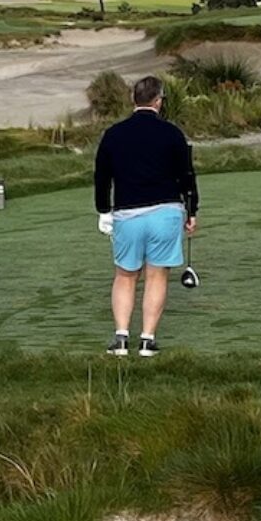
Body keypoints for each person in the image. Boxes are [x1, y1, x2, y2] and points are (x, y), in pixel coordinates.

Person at [94, 76, 199, 358]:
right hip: (166, 212)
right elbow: (187, 176)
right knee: (156, 276)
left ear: (134, 99)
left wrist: (103, 210)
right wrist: (192, 211)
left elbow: (102, 177)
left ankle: (121, 340)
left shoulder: (114, 134)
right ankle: (147, 341)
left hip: (128, 214)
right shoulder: (172, 133)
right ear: (158, 101)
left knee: (125, 275)